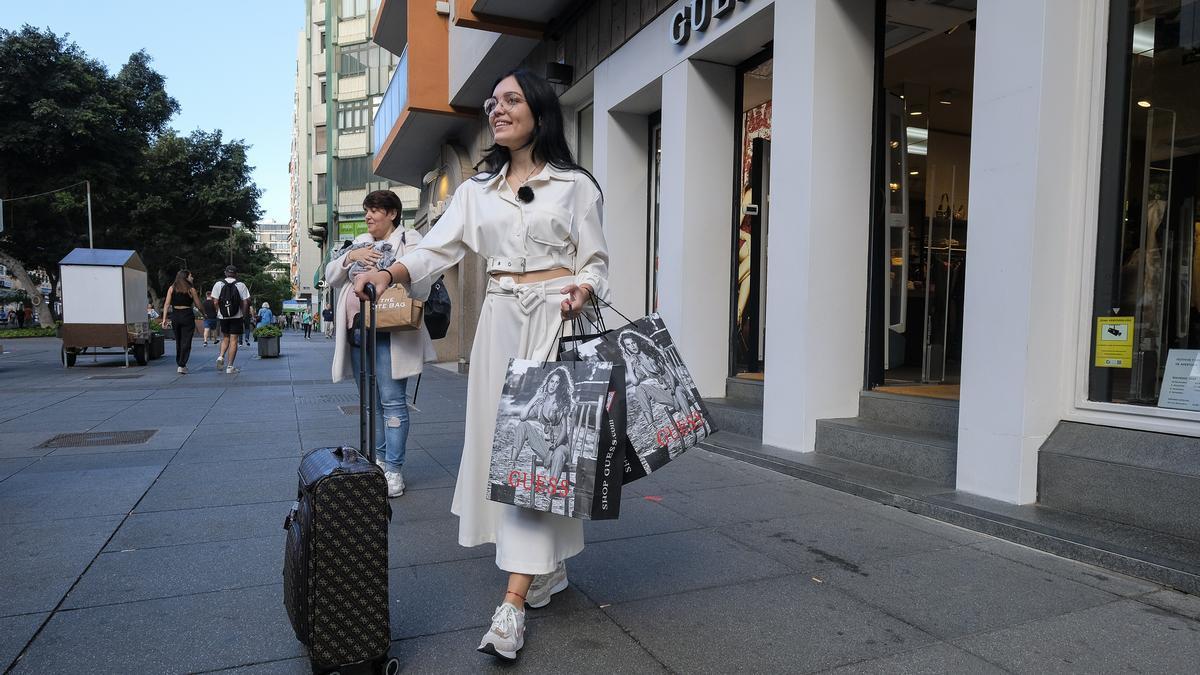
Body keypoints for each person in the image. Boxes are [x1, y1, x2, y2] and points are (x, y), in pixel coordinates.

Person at [352, 68, 608, 660]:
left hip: (555, 323)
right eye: (493, 102)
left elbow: (596, 262)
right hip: (499, 325)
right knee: (509, 450)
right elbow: (432, 252)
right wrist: (385, 274)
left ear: (540, 112)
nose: (497, 109)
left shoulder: (575, 186)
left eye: (511, 100)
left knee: (535, 453)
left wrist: (583, 289)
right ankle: (544, 569)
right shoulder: (474, 191)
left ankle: (512, 603)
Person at [328, 189, 434, 500]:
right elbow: (333, 276)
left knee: (392, 400)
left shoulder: (410, 239)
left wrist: (388, 270)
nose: (368, 216)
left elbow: (425, 276)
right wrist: (351, 256)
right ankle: (378, 462)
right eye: (366, 211)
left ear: (392, 213)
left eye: (374, 210)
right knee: (370, 403)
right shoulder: (359, 241)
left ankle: (393, 469)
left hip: (392, 330)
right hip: (359, 331)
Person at [161, 270, 204, 374]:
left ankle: (179, 362)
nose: (192, 278)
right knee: (186, 340)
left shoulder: (172, 288)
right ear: (186, 277)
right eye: (190, 276)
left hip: (175, 316)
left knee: (179, 340)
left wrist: (164, 319)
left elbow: (166, 304)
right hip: (187, 315)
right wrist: (204, 314)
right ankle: (182, 364)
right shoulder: (191, 289)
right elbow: (198, 304)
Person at [211, 266, 250, 374]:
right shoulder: (241, 285)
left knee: (225, 337)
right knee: (234, 340)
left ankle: (221, 356)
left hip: (223, 316)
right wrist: (244, 314)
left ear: (225, 273)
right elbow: (246, 301)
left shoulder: (218, 284)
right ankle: (230, 366)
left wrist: (219, 311)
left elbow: (214, 302)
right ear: (236, 274)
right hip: (236, 316)